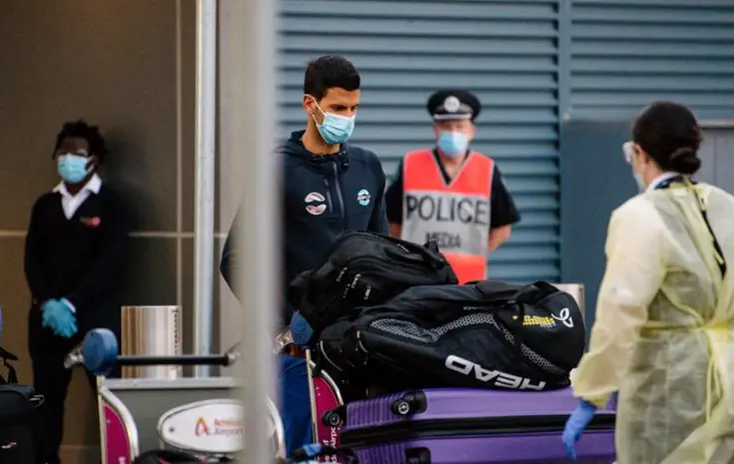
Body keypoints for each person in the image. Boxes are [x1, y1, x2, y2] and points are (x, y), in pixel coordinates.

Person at [562, 101, 734, 463]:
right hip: (732, 379)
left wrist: (592, 391)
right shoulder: (729, 208)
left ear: (638, 152)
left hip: (670, 385)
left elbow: (621, 313)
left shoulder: (640, 216)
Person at [219, 55, 388, 455]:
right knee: (297, 450)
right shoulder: (278, 170)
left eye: (354, 108)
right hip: (296, 353)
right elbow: (236, 259)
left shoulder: (368, 167)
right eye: (337, 108)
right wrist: (286, 324)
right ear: (310, 105)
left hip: (357, 347)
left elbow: (382, 256)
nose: (347, 117)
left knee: (354, 449)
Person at [25, 120, 129, 464]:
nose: (68, 158)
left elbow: (111, 263)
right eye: (64, 152)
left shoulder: (110, 204)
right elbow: (32, 261)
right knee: (46, 403)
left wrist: (71, 304)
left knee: (109, 401)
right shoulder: (45, 205)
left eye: (78, 153)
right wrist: (49, 304)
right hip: (48, 322)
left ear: (94, 160)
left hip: (95, 322)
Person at [384, 89, 520, 283]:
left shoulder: (487, 170)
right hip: (416, 280)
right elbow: (392, 222)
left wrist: (477, 254)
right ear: (435, 130)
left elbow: (503, 228)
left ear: (472, 131)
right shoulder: (410, 164)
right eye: (446, 126)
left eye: (460, 126)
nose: (453, 132)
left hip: (469, 282)